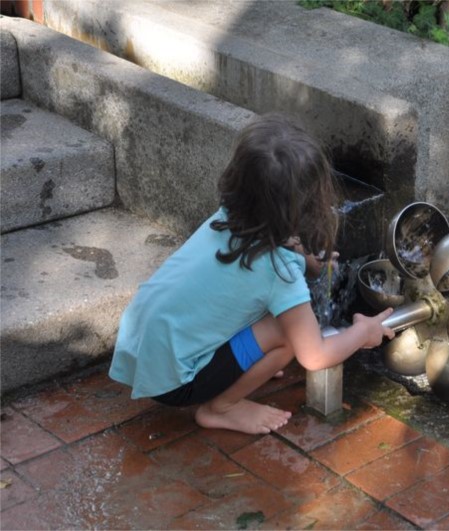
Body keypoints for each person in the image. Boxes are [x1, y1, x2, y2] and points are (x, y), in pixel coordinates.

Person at [109, 112, 395, 435]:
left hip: (138, 343)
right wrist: (362, 332)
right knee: (288, 336)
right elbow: (315, 356)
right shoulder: (280, 273)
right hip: (174, 382)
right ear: (307, 207)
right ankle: (222, 408)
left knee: (255, 304)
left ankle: (240, 368)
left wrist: (307, 261)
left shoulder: (228, 216)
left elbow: (270, 255)